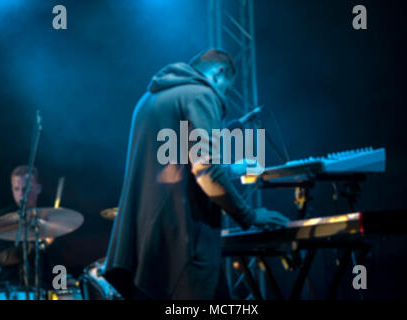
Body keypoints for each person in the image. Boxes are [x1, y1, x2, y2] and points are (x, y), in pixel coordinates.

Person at [104, 49, 290, 300]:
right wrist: (250, 215)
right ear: (219, 72)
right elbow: (207, 171)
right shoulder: (201, 94)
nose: (221, 96)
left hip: (144, 248)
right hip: (182, 244)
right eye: (225, 89)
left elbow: (174, 166)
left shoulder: (149, 98)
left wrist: (233, 170)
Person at [0, 165, 51, 289]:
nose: (21, 194)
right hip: (11, 289)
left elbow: (58, 266)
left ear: (38, 189)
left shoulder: (49, 220)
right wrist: (33, 245)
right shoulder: (5, 218)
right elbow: (2, 257)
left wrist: (64, 285)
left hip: (42, 290)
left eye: (26, 188)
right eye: (16, 189)